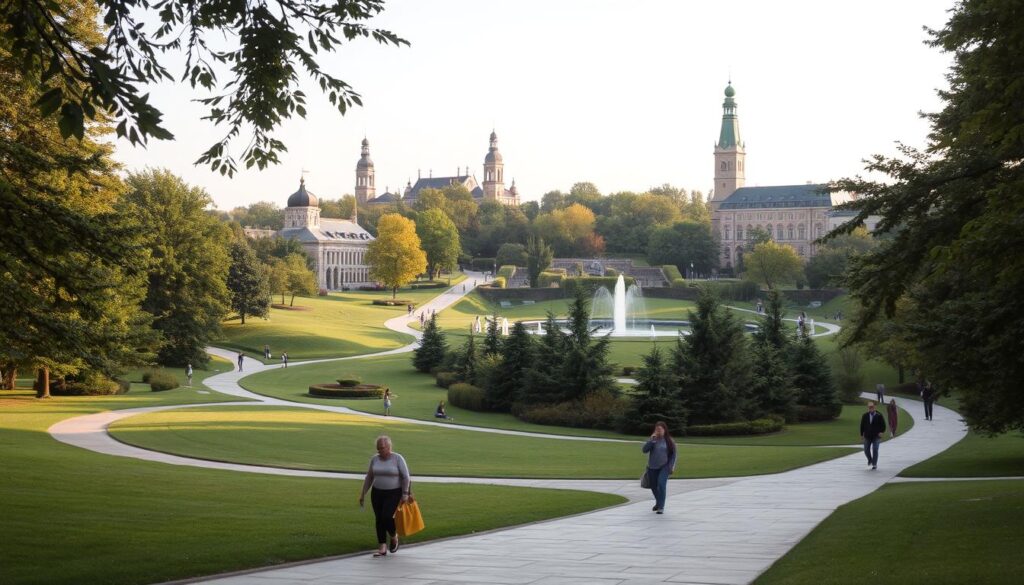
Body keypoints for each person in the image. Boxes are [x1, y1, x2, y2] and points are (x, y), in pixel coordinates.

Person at [358, 435, 411, 558]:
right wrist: (363, 494)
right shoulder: (375, 459)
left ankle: (393, 536)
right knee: (379, 519)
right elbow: (369, 477)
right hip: (377, 493)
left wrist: (405, 494)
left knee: (386, 516)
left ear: (389, 447)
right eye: (378, 449)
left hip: (393, 493)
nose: (380, 451)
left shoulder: (397, 458)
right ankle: (382, 546)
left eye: (382, 448)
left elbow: (406, 477)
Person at [642, 421, 677, 514]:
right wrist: (652, 441)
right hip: (652, 467)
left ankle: (661, 507)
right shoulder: (653, 440)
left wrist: (671, 466)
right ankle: (658, 502)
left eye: (660, 429)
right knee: (653, 486)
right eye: (656, 429)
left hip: (664, 466)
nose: (658, 431)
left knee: (661, 485)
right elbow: (644, 450)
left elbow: (673, 455)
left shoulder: (670, 441)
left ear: (665, 430)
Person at [860, 401, 887, 470]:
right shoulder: (865, 415)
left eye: (872, 407)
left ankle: (874, 464)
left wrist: (881, 432)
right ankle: (870, 459)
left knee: (875, 449)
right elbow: (862, 426)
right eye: (869, 407)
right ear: (868, 408)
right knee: (866, 450)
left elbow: (883, 425)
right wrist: (861, 434)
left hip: (876, 436)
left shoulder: (879, 415)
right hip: (867, 436)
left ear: (875, 407)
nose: (871, 408)